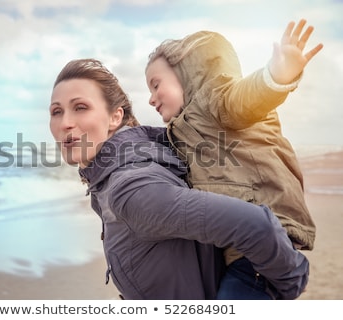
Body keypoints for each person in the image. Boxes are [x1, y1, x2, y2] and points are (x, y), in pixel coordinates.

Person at [49, 58, 309, 299]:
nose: (66, 123)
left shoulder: (130, 189)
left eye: (80, 107)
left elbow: (256, 225)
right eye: (56, 111)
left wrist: (288, 284)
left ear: (115, 117)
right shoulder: (112, 177)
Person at [145, 19, 322, 299]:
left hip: (261, 238)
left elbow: (246, 98)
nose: (151, 99)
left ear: (185, 74)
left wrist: (277, 75)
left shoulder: (214, 99)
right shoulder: (180, 131)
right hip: (236, 246)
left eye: (156, 85)